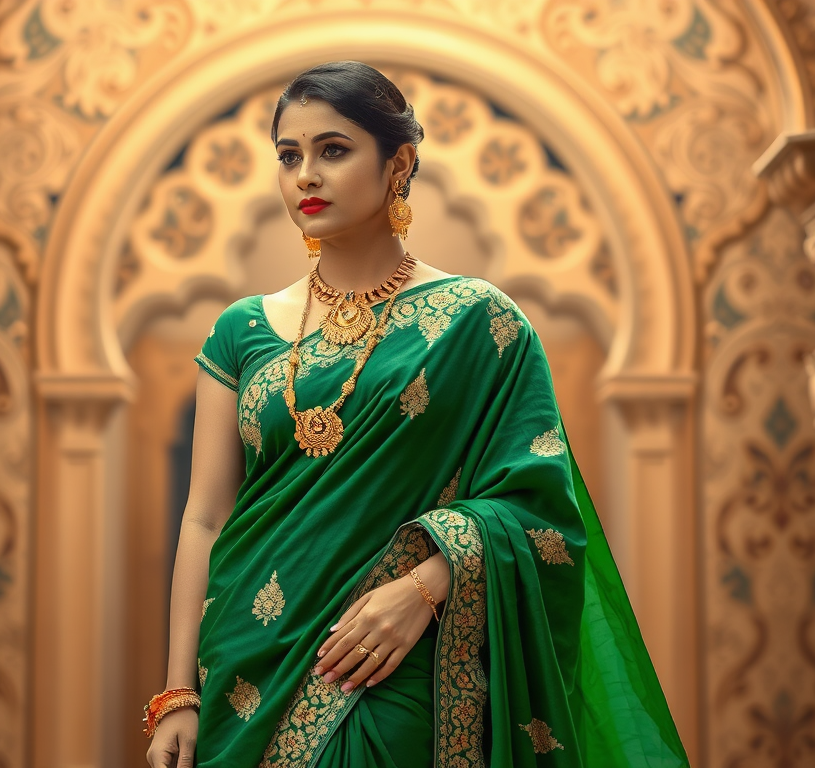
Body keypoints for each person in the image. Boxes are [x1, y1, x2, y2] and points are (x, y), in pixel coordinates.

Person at [144, 60, 690, 768]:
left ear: (397, 163)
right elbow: (205, 518)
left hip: (393, 672)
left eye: (333, 150)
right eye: (289, 156)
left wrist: (427, 585)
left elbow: (541, 515)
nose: (305, 175)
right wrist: (177, 693)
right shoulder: (240, 331)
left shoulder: (479, 322)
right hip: (243, 672)